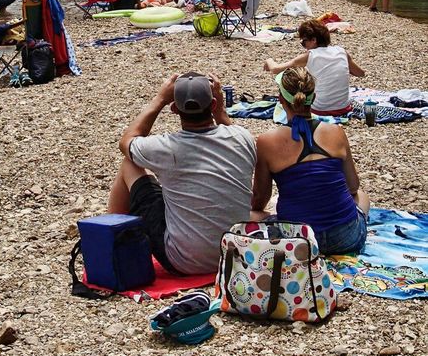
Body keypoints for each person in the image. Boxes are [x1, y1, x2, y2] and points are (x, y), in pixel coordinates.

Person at [107, 72, 256, 274]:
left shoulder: (166, 148)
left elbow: (126, 142)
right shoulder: (243, 137)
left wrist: (159, 99)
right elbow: (229, 128)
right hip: (235, 254)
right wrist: (220, 107)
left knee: (129, 163)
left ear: (174, 109)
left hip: (184, 262)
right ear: (212, 105)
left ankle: (111, 239)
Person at [252, 67, 369, 255]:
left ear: (281, 100)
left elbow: (259, 199)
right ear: (313, 99)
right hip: (345, 239)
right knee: (362, 196)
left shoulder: (267, 141)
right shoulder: (336, 132)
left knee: (251, 215)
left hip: (297, 242)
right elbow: (353, 186)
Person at [263, 18, 365, 116]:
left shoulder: (310, 56)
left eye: (304, 42)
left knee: (289, 77)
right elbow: (361, 73)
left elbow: (276, 69)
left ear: (314, 40)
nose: (303, 45)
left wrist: (269, 60)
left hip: (318, 109)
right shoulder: (341, 52)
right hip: (343, 108)